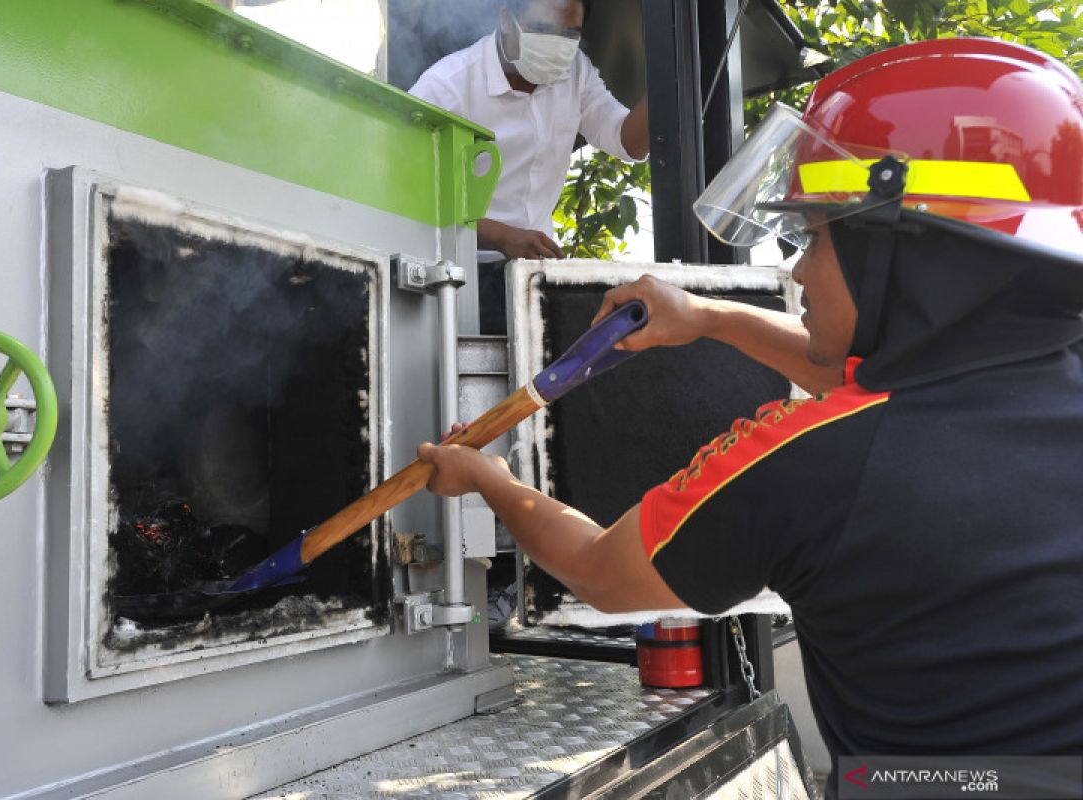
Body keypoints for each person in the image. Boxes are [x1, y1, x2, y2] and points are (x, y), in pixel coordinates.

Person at [417, 38, 1083, 792]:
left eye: (818, 237)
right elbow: (863, 374)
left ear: (899, 253)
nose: (796, 270)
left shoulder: (809, 464)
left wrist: (490, 479)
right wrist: (705, 316)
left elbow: (600, 572)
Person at [409, 0, 649, 333]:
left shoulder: (575, 72)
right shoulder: (447, 87)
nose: (557, 44)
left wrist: (670, 78)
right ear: (507, 20)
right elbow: (409, 201)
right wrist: (502, 237)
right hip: (455, 277)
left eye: (570, 34)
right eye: (544, 29)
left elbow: (627, 141)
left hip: (535, 276)